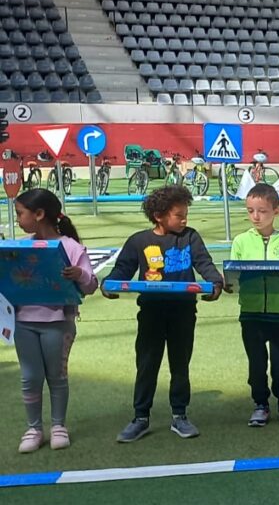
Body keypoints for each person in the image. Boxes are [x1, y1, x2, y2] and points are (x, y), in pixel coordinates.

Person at [104, 185, 224, 442]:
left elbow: (204, 263)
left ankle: (180, 415)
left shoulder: (190, 237)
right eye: (179, 215)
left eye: (186, 215)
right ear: (159, 216)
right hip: (151, 312)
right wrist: (110, 284)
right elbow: (123, 268)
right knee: (147, 364)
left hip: (183, 312)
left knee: (180, 364)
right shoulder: (139, 241)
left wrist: (215, 282)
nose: (184, 220)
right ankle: (140, 417)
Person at [11, 189, 98, 453]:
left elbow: (91, 285)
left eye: (20, 214)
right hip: (22, 322)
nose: (17, 220)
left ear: (39, 214)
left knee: (57, 377)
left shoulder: (71, 247)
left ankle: (58, 426)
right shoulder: (19, 248)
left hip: (59, 324)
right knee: (30, 377)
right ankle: (34, 429)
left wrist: (79, 273)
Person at [229, 183, 279, 428]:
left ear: (276, 211)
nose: (256, 216)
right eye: (250, 211)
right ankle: (260, 404)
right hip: (251, 313)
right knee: (256, 364)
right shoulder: (240, 241)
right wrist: (229, 282)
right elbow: (234, 274)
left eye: (262, 211)